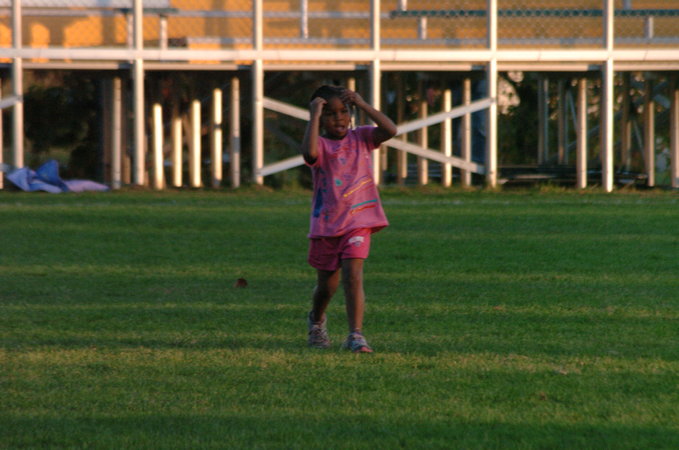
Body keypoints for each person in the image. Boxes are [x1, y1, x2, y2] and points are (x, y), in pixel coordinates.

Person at [301, 85, 397, 353]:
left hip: (359, 222)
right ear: (320, 118)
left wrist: (363, 104)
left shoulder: (362, 137)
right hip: (327, 225)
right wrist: (313, 115)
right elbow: (309, 154)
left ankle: (356, 335)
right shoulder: (320, 144)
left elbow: (390, 130)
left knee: (353, 275)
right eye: (330, 114)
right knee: (327, 287)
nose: (339, 118)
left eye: (344, 112)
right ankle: (316, 320)